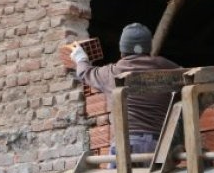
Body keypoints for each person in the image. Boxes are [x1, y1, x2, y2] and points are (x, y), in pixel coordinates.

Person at [60, 23, 181, 155]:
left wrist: (81, 58)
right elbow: (190, 78)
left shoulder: (112, 73)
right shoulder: (165, 66)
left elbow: (85, 73)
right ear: (148, 47)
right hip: (159, 147)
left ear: (122, 49)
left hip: (124, 147)